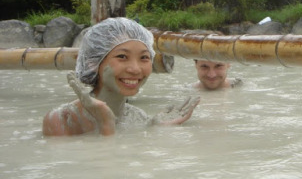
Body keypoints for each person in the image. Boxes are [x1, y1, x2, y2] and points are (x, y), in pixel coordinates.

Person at [43, 17, 200, 136]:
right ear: (93, 62)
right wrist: (105, 125)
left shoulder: (138, 117)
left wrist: (156, 128)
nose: (135, 69)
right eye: (122, 57)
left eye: (144, 57)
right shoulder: (62, 120)